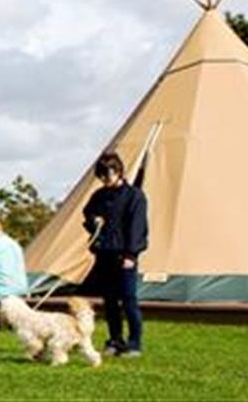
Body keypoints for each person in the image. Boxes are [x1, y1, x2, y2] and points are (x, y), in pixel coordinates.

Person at [83, 152, 148, 359]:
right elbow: (87, 214)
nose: (104, 180)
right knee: (110, 302)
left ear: (118, 171)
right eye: (101, 177)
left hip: (125, 256)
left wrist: (131, 254)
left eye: (107, 175)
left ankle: (134, 343)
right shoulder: (99, 195)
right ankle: (115, 340)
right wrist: (94, 221)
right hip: (104, 254)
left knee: (129, 300)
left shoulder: (134, 196)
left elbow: (138, 227)